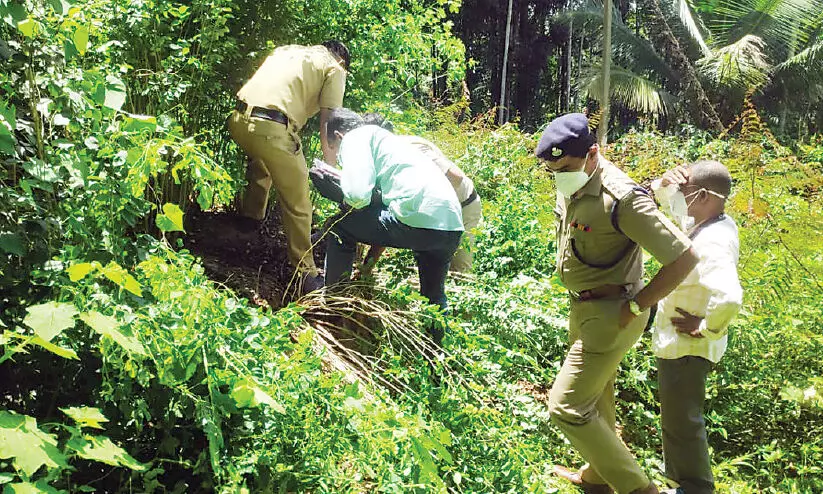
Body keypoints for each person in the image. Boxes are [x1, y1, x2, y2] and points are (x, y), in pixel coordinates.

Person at [536, 113, 699, 494]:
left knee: (566, 408)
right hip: (582, 308)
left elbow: (684, 258)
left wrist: (639, 305)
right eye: (552, 169)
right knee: (597, 397)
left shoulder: (622, 199)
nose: (559, 175)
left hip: (614, 314)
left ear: (593, 154)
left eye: (566, 167)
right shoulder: (574, 183)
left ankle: (637, 489)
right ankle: (598, 477)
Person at [322, 108, 464, 344]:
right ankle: (437, 359)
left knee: (340, 226)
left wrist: (340, 194)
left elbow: (358, 196)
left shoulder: (355, 138)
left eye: (336, 152)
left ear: (338, 136)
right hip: (450, 224)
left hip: (417, 218)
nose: (338, 157)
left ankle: (335, 305)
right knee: (434, 297)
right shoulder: (388, 141)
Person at [651, 161, 743, 494]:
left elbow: (730, 297)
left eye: (684, 192)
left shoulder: (713, 242)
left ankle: (695, 488)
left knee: (682, 423)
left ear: (702, 195)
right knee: (676, 419)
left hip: (688, 346)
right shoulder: (709, 221)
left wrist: (705, 327)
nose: (678, 197)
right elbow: (658, 200)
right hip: (680, 343)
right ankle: (681, 484)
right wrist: (665, 181)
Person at [228, 41, 350, 291]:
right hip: (271, 129)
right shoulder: (335, 68)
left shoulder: (288, 51)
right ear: (341, 60)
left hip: (238, 119)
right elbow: (330, 121)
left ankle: (250, 222)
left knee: (262, 163)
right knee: (299, 203)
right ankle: (305, 274)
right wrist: (331, 164)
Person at [359, 113, 482, 273]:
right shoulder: (383, 161)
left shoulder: (412, 147)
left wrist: (427, 203)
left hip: (464, 207)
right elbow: (387, 214)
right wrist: (367, 267)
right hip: (436, 215)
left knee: (459, 274)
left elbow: (456, 178)